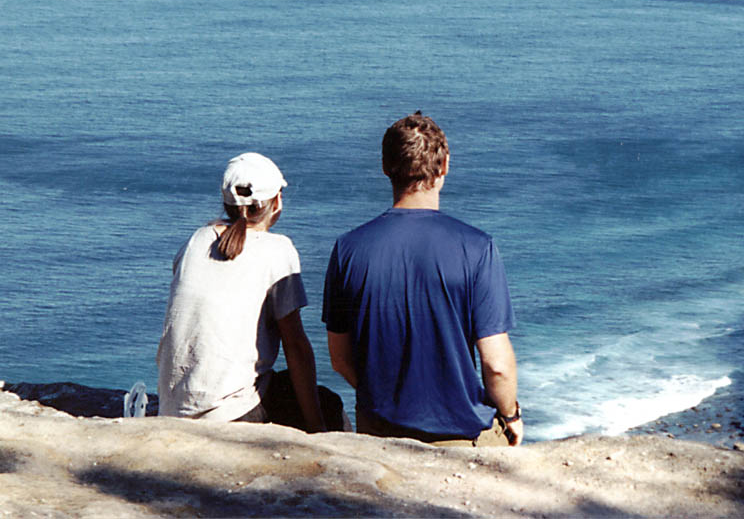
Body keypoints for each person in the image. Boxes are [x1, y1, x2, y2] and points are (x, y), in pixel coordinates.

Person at [322, 112, 523, 446]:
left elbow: (340, 359)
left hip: (379, 432)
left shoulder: (348, 249)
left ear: (386, 167)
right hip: (459, 435)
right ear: (444, 167)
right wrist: (511, 415)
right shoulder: (477, 248)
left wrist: (387, 398)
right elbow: (496, 364)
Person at [157, 152, 341, 433]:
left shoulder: (196, 240)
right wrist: (317, 429)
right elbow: (295, 345)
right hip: (231, 413)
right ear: (277, 202)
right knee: (329, 404)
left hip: (173, 410)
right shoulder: (277, 250)